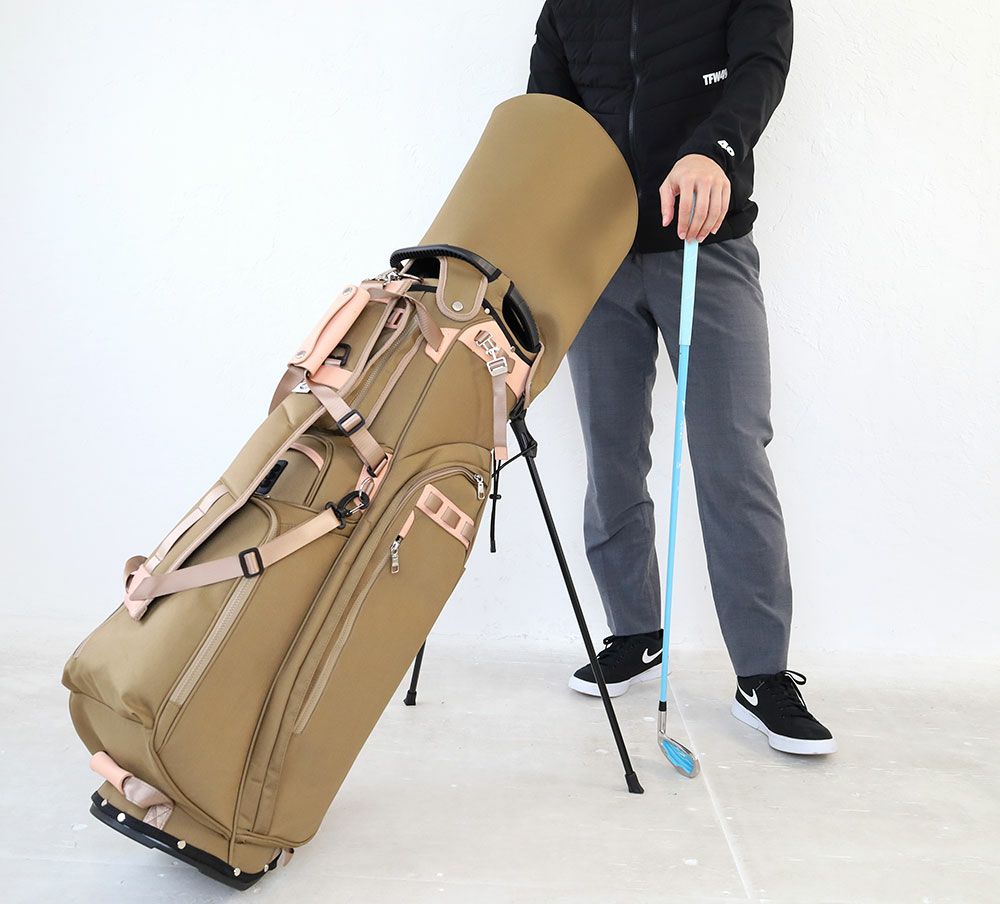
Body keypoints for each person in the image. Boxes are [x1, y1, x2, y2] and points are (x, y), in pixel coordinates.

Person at [528, 0, 835, 755]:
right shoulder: (568, 5)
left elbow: (760, 68)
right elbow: (548, 120)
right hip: (597, 258)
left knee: (732, 455)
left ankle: (763, 675)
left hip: (704, 245)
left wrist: (715, 150)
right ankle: (636, 633)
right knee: (610, 451)